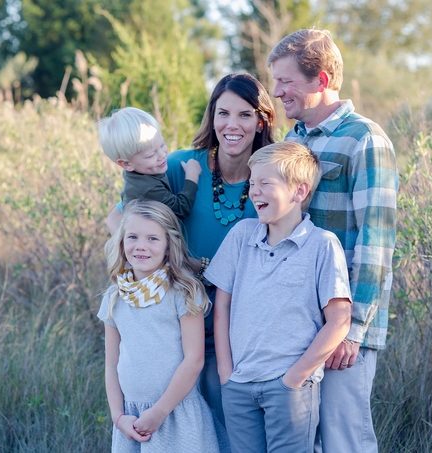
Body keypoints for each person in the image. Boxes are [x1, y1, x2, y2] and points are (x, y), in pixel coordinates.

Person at [268, 29, 399, 453]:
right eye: (276, 81)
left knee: (345, 440)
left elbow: (376, 239)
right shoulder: (293, 142)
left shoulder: (365, 139)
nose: (276, 91)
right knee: (303, 441)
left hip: (343, 328)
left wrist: (354, 328)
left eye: (286, 81)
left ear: (321, 80)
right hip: (297, 320)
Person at [204, 142, 352, 453]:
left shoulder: (322, 246)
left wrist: (294, 379)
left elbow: (339, 320)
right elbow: (223, 307)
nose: (254, 192)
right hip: (239, 385)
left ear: (299, 192)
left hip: (288, 389)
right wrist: (226, 375)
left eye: (265, 184)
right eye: (252, 183)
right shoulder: (242, 237)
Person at [166, 73, 276, 424]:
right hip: (177, 322)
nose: (233, 125)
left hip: (238, 329)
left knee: (227, 422)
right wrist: (171, 264)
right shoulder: (182, 166)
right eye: (223, 113)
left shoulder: (272, 180)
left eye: (245, 115)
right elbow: (122, 222)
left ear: (261, 121)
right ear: (211, 117)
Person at [98, 200, 229, 452]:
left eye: (152, 239)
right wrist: (118, 417)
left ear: (169, 246)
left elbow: (194, 360)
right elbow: (111, 363)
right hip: (131, 418)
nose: (141, 246)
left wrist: (158, 412)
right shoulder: (114, 297)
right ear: (121, 242)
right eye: (133, 237)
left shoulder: (183, 292)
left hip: (176, 412)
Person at [98, 107, 202, 232]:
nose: (162, 155)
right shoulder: (148, 188)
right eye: (151, 155)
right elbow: (181, 209)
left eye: (162, 145)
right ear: (126, 164)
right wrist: (192, 175)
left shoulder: (139, 172)